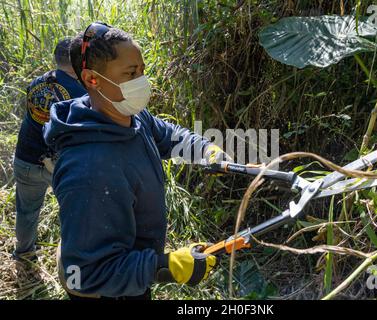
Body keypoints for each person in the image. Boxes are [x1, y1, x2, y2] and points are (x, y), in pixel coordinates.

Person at [43, 22, 230, 300]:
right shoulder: (87, 171)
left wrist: (203, 150)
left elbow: (167, 135)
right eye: (131, 73)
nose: (142, 82)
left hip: (131, 273)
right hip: (106, 291)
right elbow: (81, 275)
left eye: (142, 71)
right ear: (92, 79)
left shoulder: (129, 115)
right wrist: (163, 267)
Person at [13, 38, 87, 262]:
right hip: (58, 165)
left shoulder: (37, 82)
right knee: (75, 213)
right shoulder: (79, 91)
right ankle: (74, 260)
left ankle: (24, 254)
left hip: (25, 158)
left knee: (26, 212)